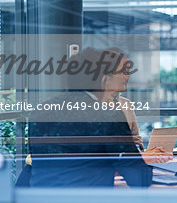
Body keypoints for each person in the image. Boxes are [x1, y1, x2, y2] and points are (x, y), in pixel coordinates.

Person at [28, 47, 169, 188]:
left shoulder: (41, 111)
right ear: (104, 80)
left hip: (41, 200)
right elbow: (139, 179)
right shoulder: (107, 114)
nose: (126, 76)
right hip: (89, 201)